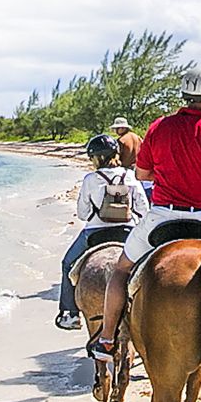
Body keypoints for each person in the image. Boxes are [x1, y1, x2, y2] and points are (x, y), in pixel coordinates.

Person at [91, 63, 201, 362]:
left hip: (163, 217)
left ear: (186, 96)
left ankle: (107, 339)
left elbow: (144, 175)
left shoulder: (159, 127)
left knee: (121, 269)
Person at [56, 133, 142, 329]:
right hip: (127, 233)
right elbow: (143, 210)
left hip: (95, 234)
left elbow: (83, 214)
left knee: (68, 264)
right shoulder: (130, 176)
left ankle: (70, 314)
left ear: (97, 158)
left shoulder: (90, 179)